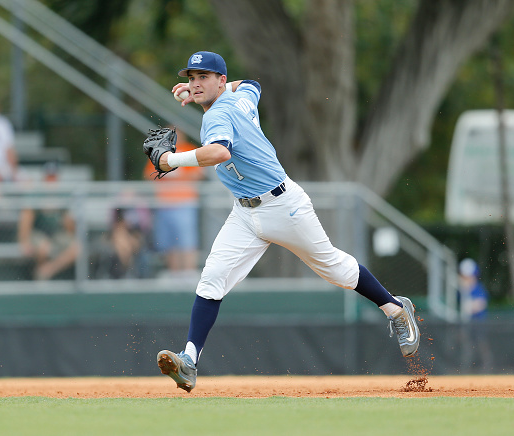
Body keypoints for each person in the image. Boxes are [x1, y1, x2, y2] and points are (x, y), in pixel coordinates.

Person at [149, 51, 420, 393]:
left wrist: (171, 159)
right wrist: (212, 89)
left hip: (284, 207)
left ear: (220, 80)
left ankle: (396, 309)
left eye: (204, 77)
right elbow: (252, 84)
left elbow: (219, 152)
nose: (195, 83)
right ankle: (188, 361)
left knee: (336, 270)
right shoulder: (240, 97)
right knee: (212, 279)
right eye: (191, 78)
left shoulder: (217, 115)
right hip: (245, 214)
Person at [143, 130, 204, 277]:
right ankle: (174, 273)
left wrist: (178, 174)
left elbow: (199, 174)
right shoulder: (158, 151)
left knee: (187, 240)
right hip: (164, 204)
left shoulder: (189, 149)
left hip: (184, 203)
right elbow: (148, 175)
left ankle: (189, 272)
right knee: (169, 242)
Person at [17, 162, 79, 280]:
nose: (51, 180)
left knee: (77, 248)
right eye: (49, 176)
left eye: (54, 177)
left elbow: (69, 226)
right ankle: (40, 280)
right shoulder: (36, 194)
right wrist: (24, 241)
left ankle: (47, 270)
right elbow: (27, 217)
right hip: (37, 233)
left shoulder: (63, 195)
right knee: (44, 248)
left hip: (56, 234)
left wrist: (69, 218)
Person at [458, 258, 493, 372]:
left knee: (481, 344)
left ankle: (486, 366)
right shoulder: (461, 290)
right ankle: (466, 367)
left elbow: (481, 303)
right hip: (466, 323)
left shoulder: (478, 288)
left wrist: (469, 306)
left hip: (478, 322)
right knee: (466, 345)